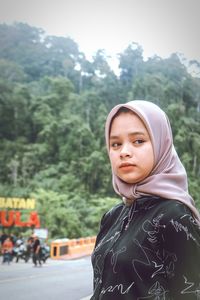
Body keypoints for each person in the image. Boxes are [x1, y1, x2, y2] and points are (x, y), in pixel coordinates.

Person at [90, 100, 200, 299]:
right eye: (115, 144)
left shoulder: (173, 215)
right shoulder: (112, 217)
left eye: (138, 141)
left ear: (161, 144)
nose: (124, 151)